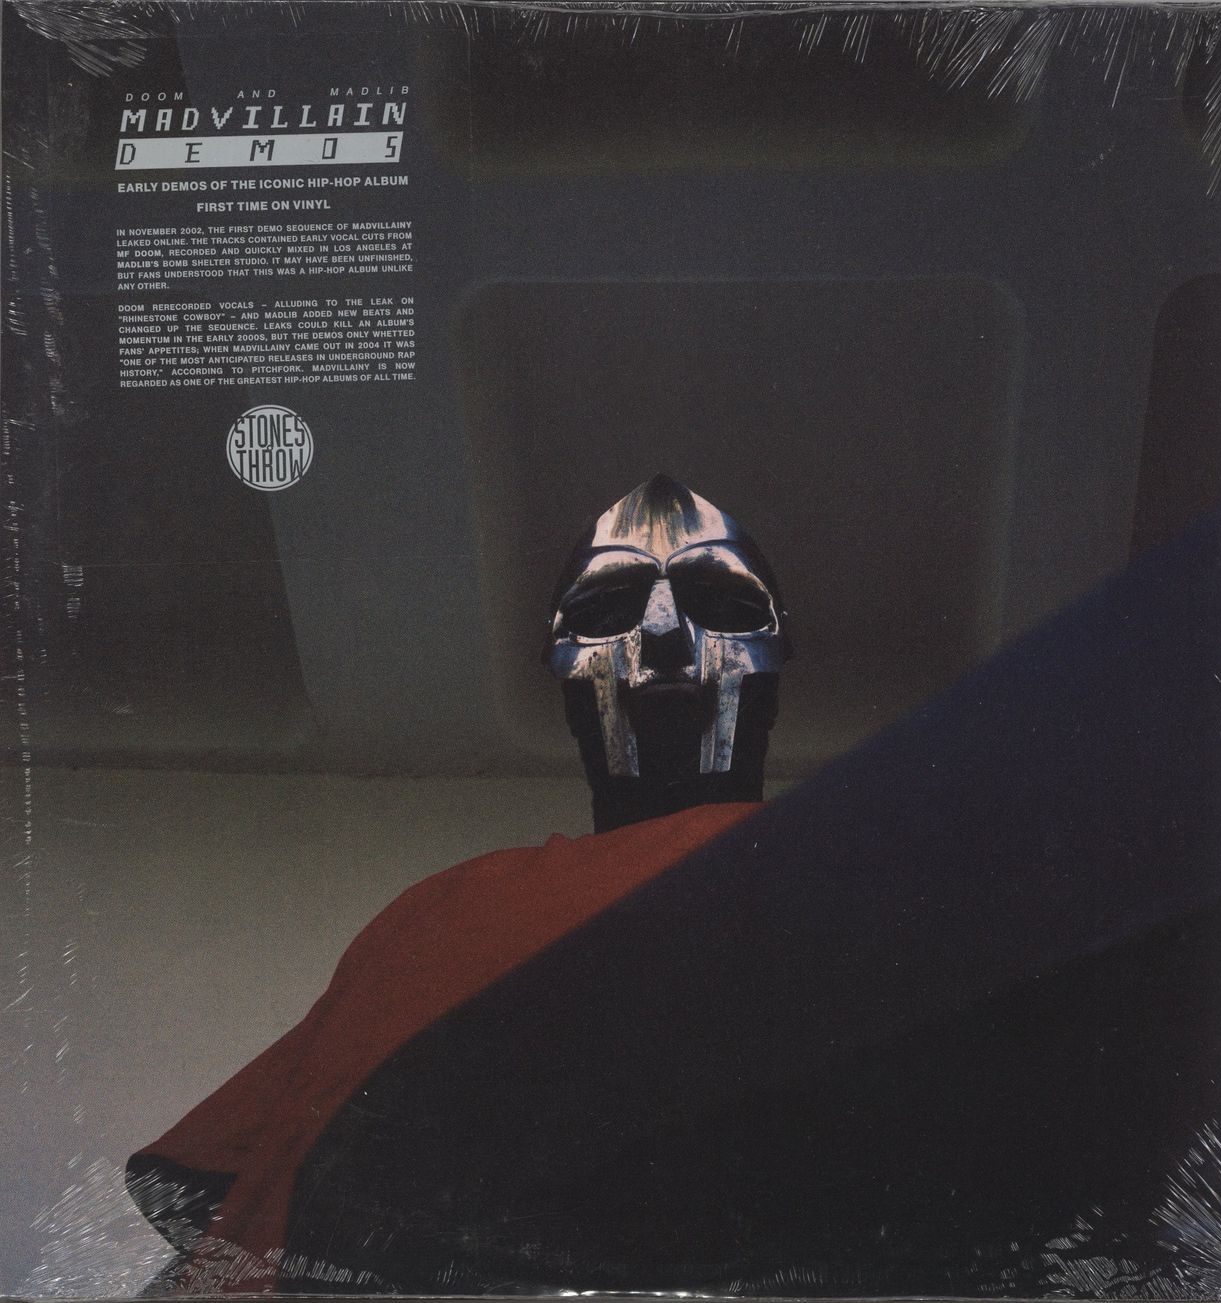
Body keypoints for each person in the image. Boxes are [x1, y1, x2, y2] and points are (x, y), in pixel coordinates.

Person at [127, 475, 793, 1293]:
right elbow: (262, 1211)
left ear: (775, 664)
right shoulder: (440, 912)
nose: (662, 633)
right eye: (608, 609)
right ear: (564, 680)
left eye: (719, 602)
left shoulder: (856, 880)